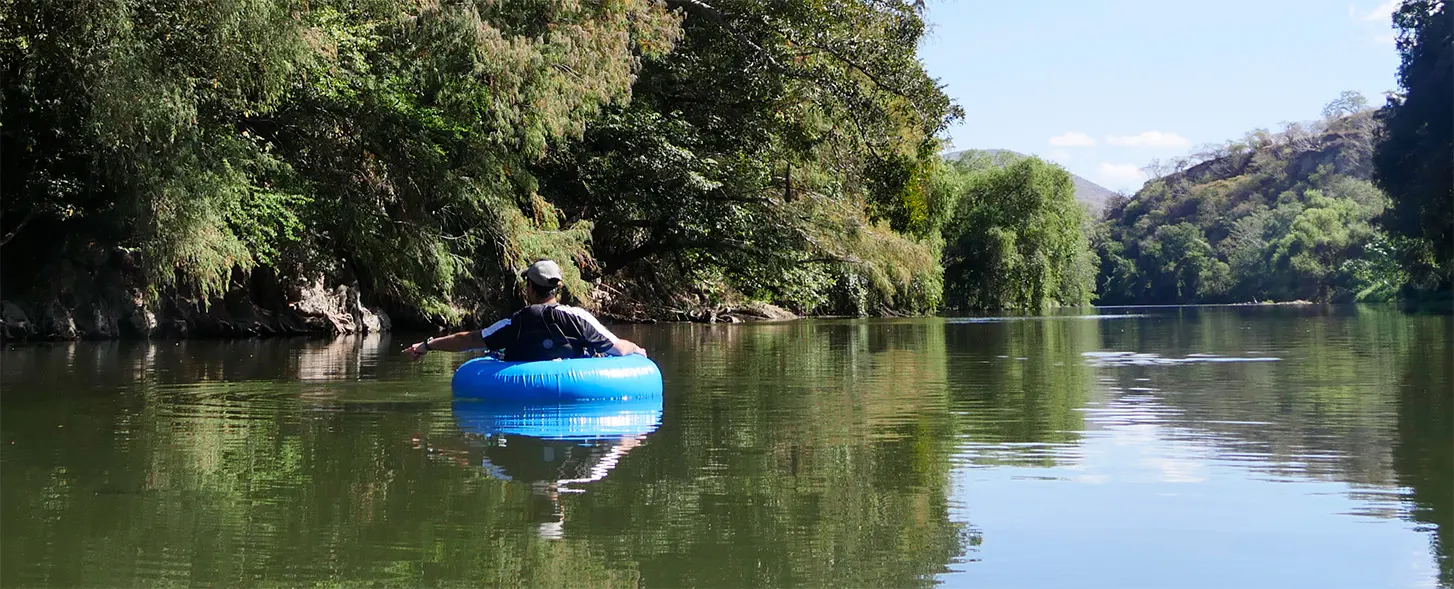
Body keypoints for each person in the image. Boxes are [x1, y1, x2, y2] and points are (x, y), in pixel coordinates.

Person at [402, 259, 646, 361]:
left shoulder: (516, 321)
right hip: (575, 390)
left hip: (521, 393)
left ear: (529, 287)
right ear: (556, 288)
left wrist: (429, 344)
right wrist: (636, 347)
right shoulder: (578, 318)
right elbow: (618, 348)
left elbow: (470, 340)